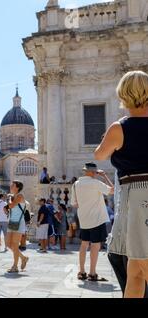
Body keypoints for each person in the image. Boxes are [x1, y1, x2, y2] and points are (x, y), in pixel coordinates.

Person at [94, 70, 148, 298]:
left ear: (123, 95)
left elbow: (99, 155)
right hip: (136, 199)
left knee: (142, 265)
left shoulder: (119, 128)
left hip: (136, 198)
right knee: (134, 270)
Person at [70, 162, 114, 282]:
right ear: (91, 172)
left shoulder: (76, 184)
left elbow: (74, 203)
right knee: (95, 245)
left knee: (84, 244)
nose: (95, 173)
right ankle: (92, 273)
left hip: (84, 219)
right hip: (97, 219)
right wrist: (104, 176)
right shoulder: (96, 183)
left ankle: (82, 272)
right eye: (94, 172)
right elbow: (113, 190)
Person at [5, 181, 29, 274]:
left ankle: (15, 266)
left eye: (13, 185)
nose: (11, 186)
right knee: (8, 244)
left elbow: (11, 205)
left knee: (14, 244)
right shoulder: (13, 197)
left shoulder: (20, 196)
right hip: (11, 222)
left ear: (17, 187)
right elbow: (10, 208)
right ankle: (23, 258)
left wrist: (9, 199)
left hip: (19, 223)